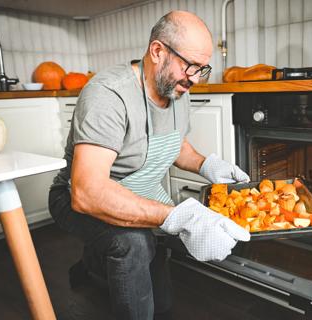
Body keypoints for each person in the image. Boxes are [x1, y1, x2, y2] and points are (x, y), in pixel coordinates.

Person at [48, 10, 250, 320]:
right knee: (134, 243)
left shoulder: (176, 89)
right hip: (76, 196)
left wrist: (207, 164)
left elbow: (175, 144)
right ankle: (100, 262)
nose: (195, 78)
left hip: (139, 187)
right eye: (191, 66)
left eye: (202, 68)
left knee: (163, 298)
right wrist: (176, 216)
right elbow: (87, 192)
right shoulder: (109, 95)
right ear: (157, 51)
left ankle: (94, 265)